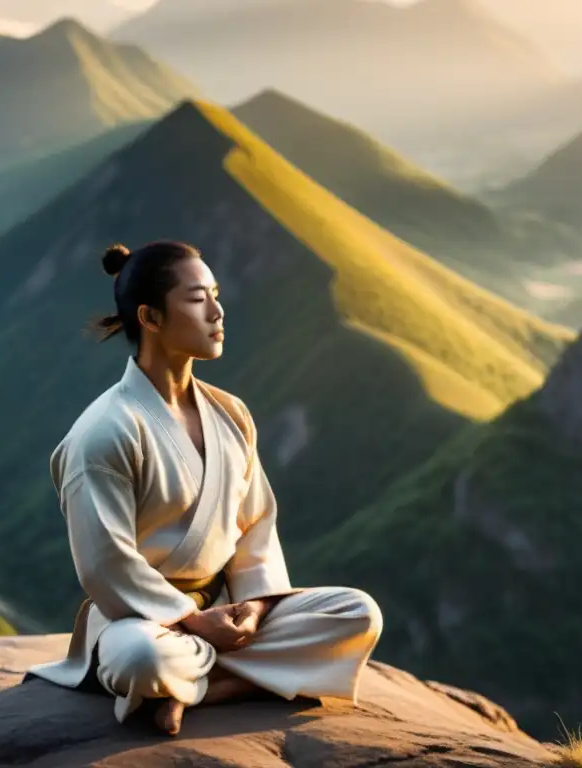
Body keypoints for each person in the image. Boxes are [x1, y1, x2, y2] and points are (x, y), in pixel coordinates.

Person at [24, 240, 383, 736]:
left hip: (227, 614)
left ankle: (204, 690)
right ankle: (231, 678)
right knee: (144, 659)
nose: (217, 311)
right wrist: (190, 621)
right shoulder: (104, 432)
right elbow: (106, 564)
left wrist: (253, 609)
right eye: (198, 299)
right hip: (142, 620)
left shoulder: (230, 414)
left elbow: (255, 527)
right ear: (150, 318)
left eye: (215, 294)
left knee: (357, 613)